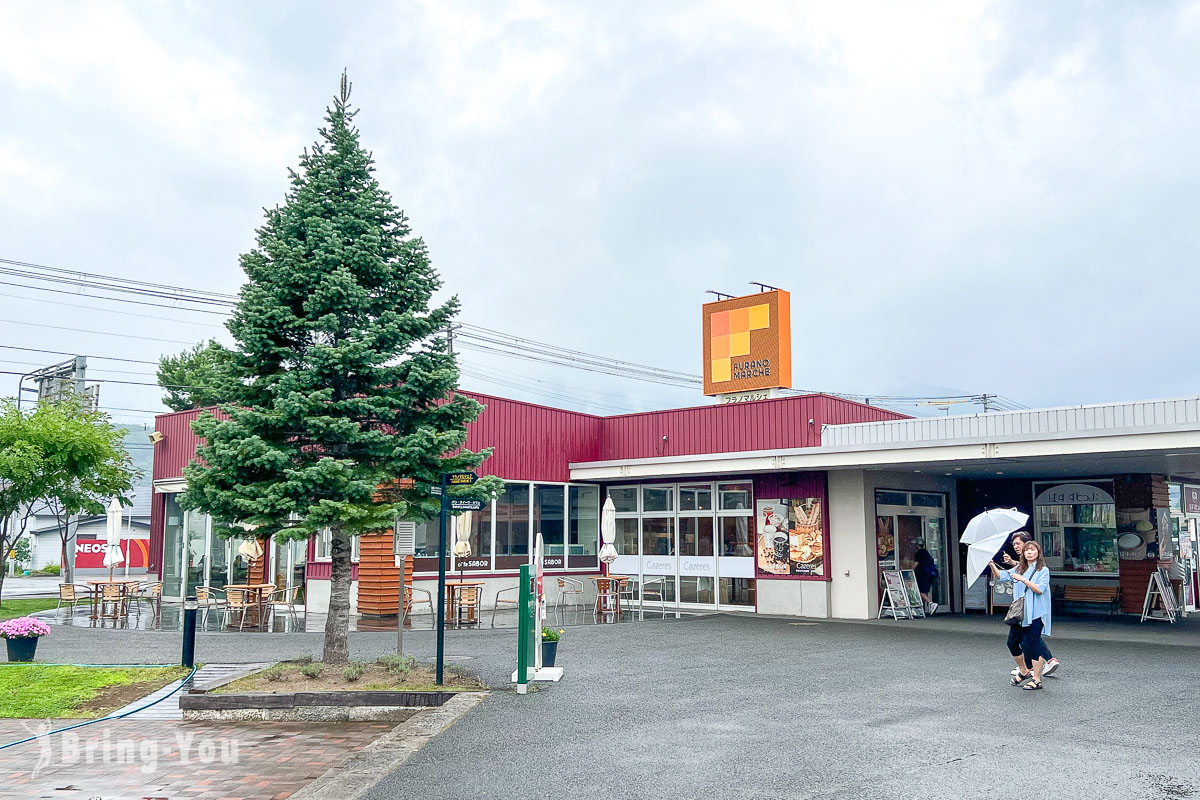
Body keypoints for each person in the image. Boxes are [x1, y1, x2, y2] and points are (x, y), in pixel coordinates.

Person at [989, 539, 1053, 691]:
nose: (1029, 552)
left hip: (1036, 613)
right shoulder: (1019, 568)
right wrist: (992, 565)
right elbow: (1001, 576)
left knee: (1031, 644)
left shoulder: (1043, 570)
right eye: (1027, 550)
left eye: (1033, 550)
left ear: (1038, 552)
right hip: (1021, 613)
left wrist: (1023, 580)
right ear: (1023, 553)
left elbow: (1039, 589)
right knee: (1012, 642)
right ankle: (1024, 671)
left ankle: (1037, 679)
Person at [1002, 532, 1060, 677]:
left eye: (1019, 544)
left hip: (1035, 609)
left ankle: (1035, 671)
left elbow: (1036, 583)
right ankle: (1034, 667)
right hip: (1024, 610)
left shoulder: (1042, 569)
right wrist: (1007, 564)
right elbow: (1020, 569)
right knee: (1024, 640)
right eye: (1014, 544)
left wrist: (1020, 576)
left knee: (1029, 640)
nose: (1016, 547)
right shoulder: (1021, 565)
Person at [913, 545, 939, 615]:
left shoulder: (918, 553)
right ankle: (923, 608)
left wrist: (911, 569)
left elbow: (915, 564)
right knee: (925, 591)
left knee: (919, 591)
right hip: (929, 575)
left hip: (922, 575)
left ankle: (931, 603)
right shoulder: (926, 553)